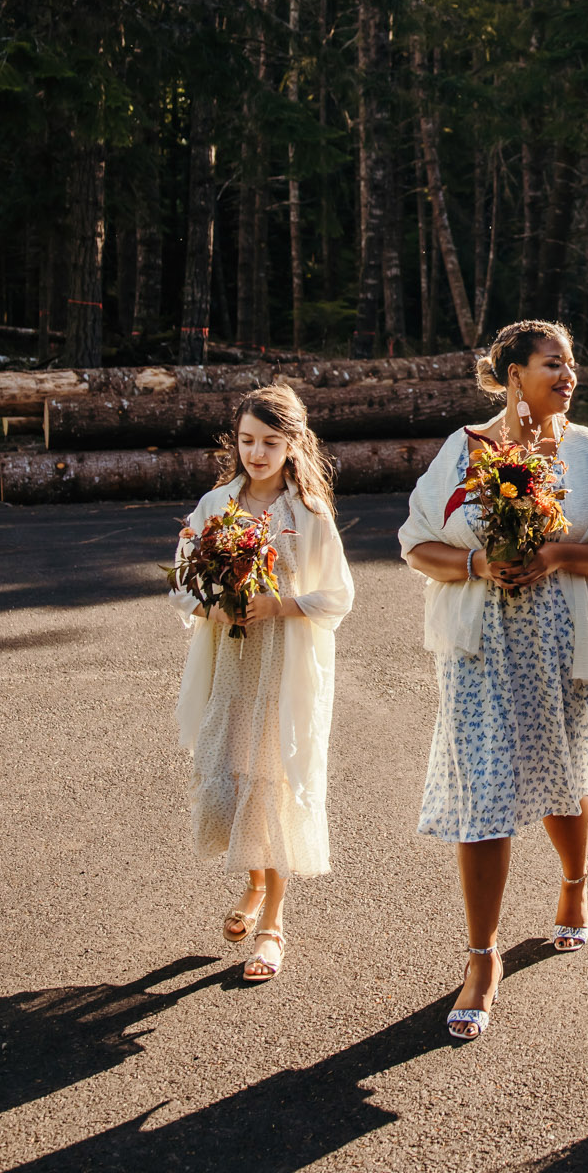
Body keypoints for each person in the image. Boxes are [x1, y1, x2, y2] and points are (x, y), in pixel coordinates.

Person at [399, 320, 588, 1042]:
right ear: (512, 374)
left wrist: (558, 552)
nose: (567, 375)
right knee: (485, 786)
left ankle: (573, 886)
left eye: (571, 365)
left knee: (563, 773)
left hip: (565, 640)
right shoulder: (465, 449)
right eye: (552, 363)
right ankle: (482, 959)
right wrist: (477, 564)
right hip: (482, 647)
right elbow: (415, 542)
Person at [172, 384, 355, 983]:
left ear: (293, 445)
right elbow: (180, 583)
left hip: (284, 663)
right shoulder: (215, 504)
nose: (257, 453)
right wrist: (213, 607)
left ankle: (273, 925)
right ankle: (254, 885)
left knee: (274, 780)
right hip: (230, 662)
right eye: (248, 441)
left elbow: (339, 595)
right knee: (236, 770)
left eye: (270, 443)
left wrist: (282, 606)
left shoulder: (307, 514)